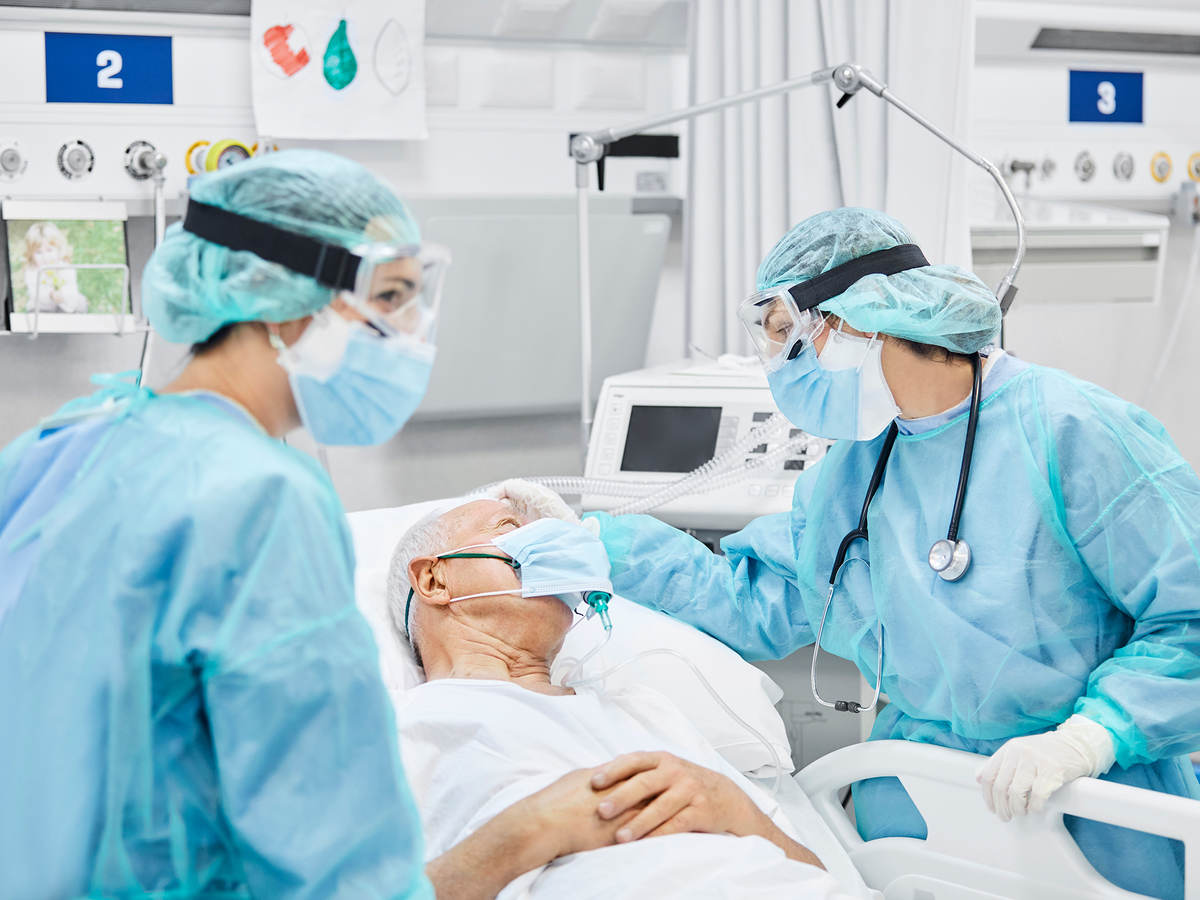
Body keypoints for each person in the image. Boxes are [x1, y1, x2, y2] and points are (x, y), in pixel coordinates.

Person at [0, 150, 602, 900]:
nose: (411, 334)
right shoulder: (260, 498)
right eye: (389, 297)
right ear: (281, 294)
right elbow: (332, 849)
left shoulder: (51, 452)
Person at [584, 207, 1200, 900]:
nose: (776, 364)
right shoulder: (853, 472)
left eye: (787, 333)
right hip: (919, 813)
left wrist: (1090, 737)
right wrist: (591, 545)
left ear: (858, 320)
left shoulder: (1073, 433)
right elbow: (761, 600)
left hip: (1095, 808)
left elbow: (1190, 617)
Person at [390, 493, 864, 899]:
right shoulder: (399, 732)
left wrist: (731, 805)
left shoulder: (643, 710)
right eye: (510, 527)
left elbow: (818, 874)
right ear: (434, 580)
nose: (553, 550)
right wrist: (531, 829)